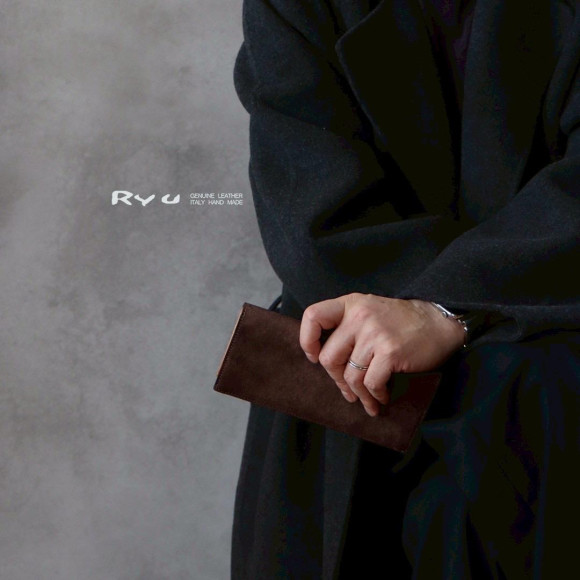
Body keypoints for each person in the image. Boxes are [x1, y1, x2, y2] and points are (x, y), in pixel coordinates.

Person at [230, 0, 580, 577]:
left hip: (549, 343)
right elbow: (311, 213)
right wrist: (417, 309)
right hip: (351, 341)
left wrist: (448, 307)